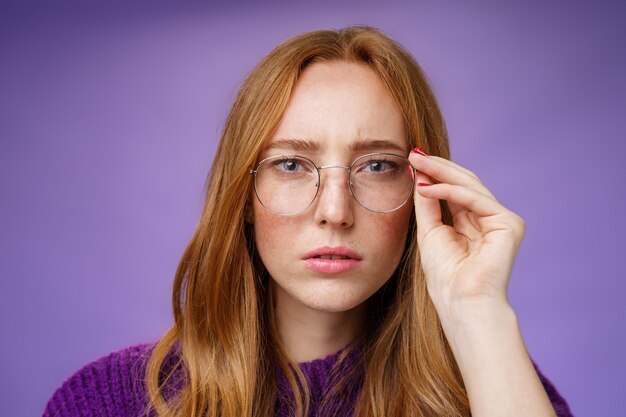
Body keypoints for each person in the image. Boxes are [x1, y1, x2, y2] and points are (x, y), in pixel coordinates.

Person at [44, 25, 573, 417]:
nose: (335, 212)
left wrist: (477, 312)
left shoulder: (496, 389)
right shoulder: (110, 400)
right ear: (244, 196)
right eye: (292, 165)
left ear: (424, 192)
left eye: (378, 166)